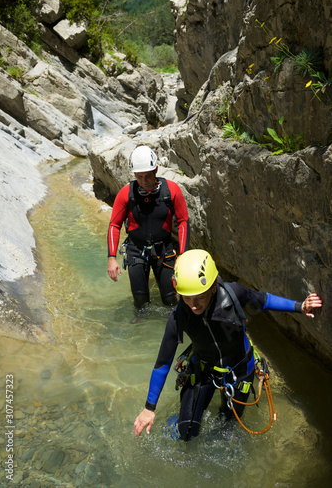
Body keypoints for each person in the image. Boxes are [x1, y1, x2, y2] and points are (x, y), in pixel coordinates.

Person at [133, 249, 323, 441]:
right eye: (187, 297)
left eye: (200, 296)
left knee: (227, 425)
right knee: (186, 433)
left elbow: (264, 300)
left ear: (213, 286)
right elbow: (162, 364)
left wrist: (300, 306)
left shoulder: (233, 295)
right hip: (204, 370)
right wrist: (149, 408)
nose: (194, 304)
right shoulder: (178, 317)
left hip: (239, 370)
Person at [107, 145, 190, 308]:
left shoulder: (171, 190)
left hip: (164, 251)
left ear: (156, 170)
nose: (144, 181)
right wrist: (111, 258)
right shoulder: (126, 193)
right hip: (136, 250)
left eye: (148, 176)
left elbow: (183, 222)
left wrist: (183, 255)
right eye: (139, 177)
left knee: (170, 301)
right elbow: (114, 225)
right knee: (140, 303)